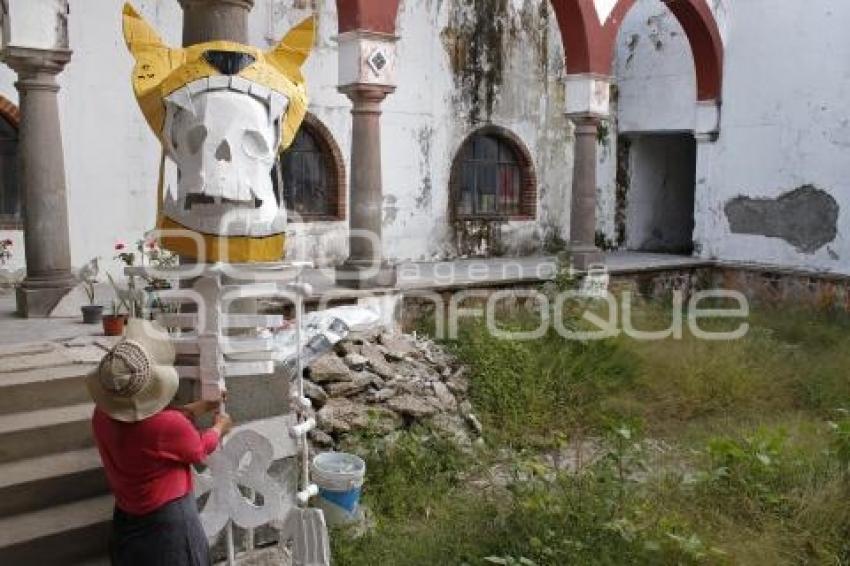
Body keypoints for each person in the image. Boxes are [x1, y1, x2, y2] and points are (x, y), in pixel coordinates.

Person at [86, 319, 233, 566]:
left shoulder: (101, 415)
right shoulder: (165, 427)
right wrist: (219, 427)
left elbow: (161, 422)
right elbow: (197, 449)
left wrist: (205, 405)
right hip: (168, 518)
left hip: (126, 511)